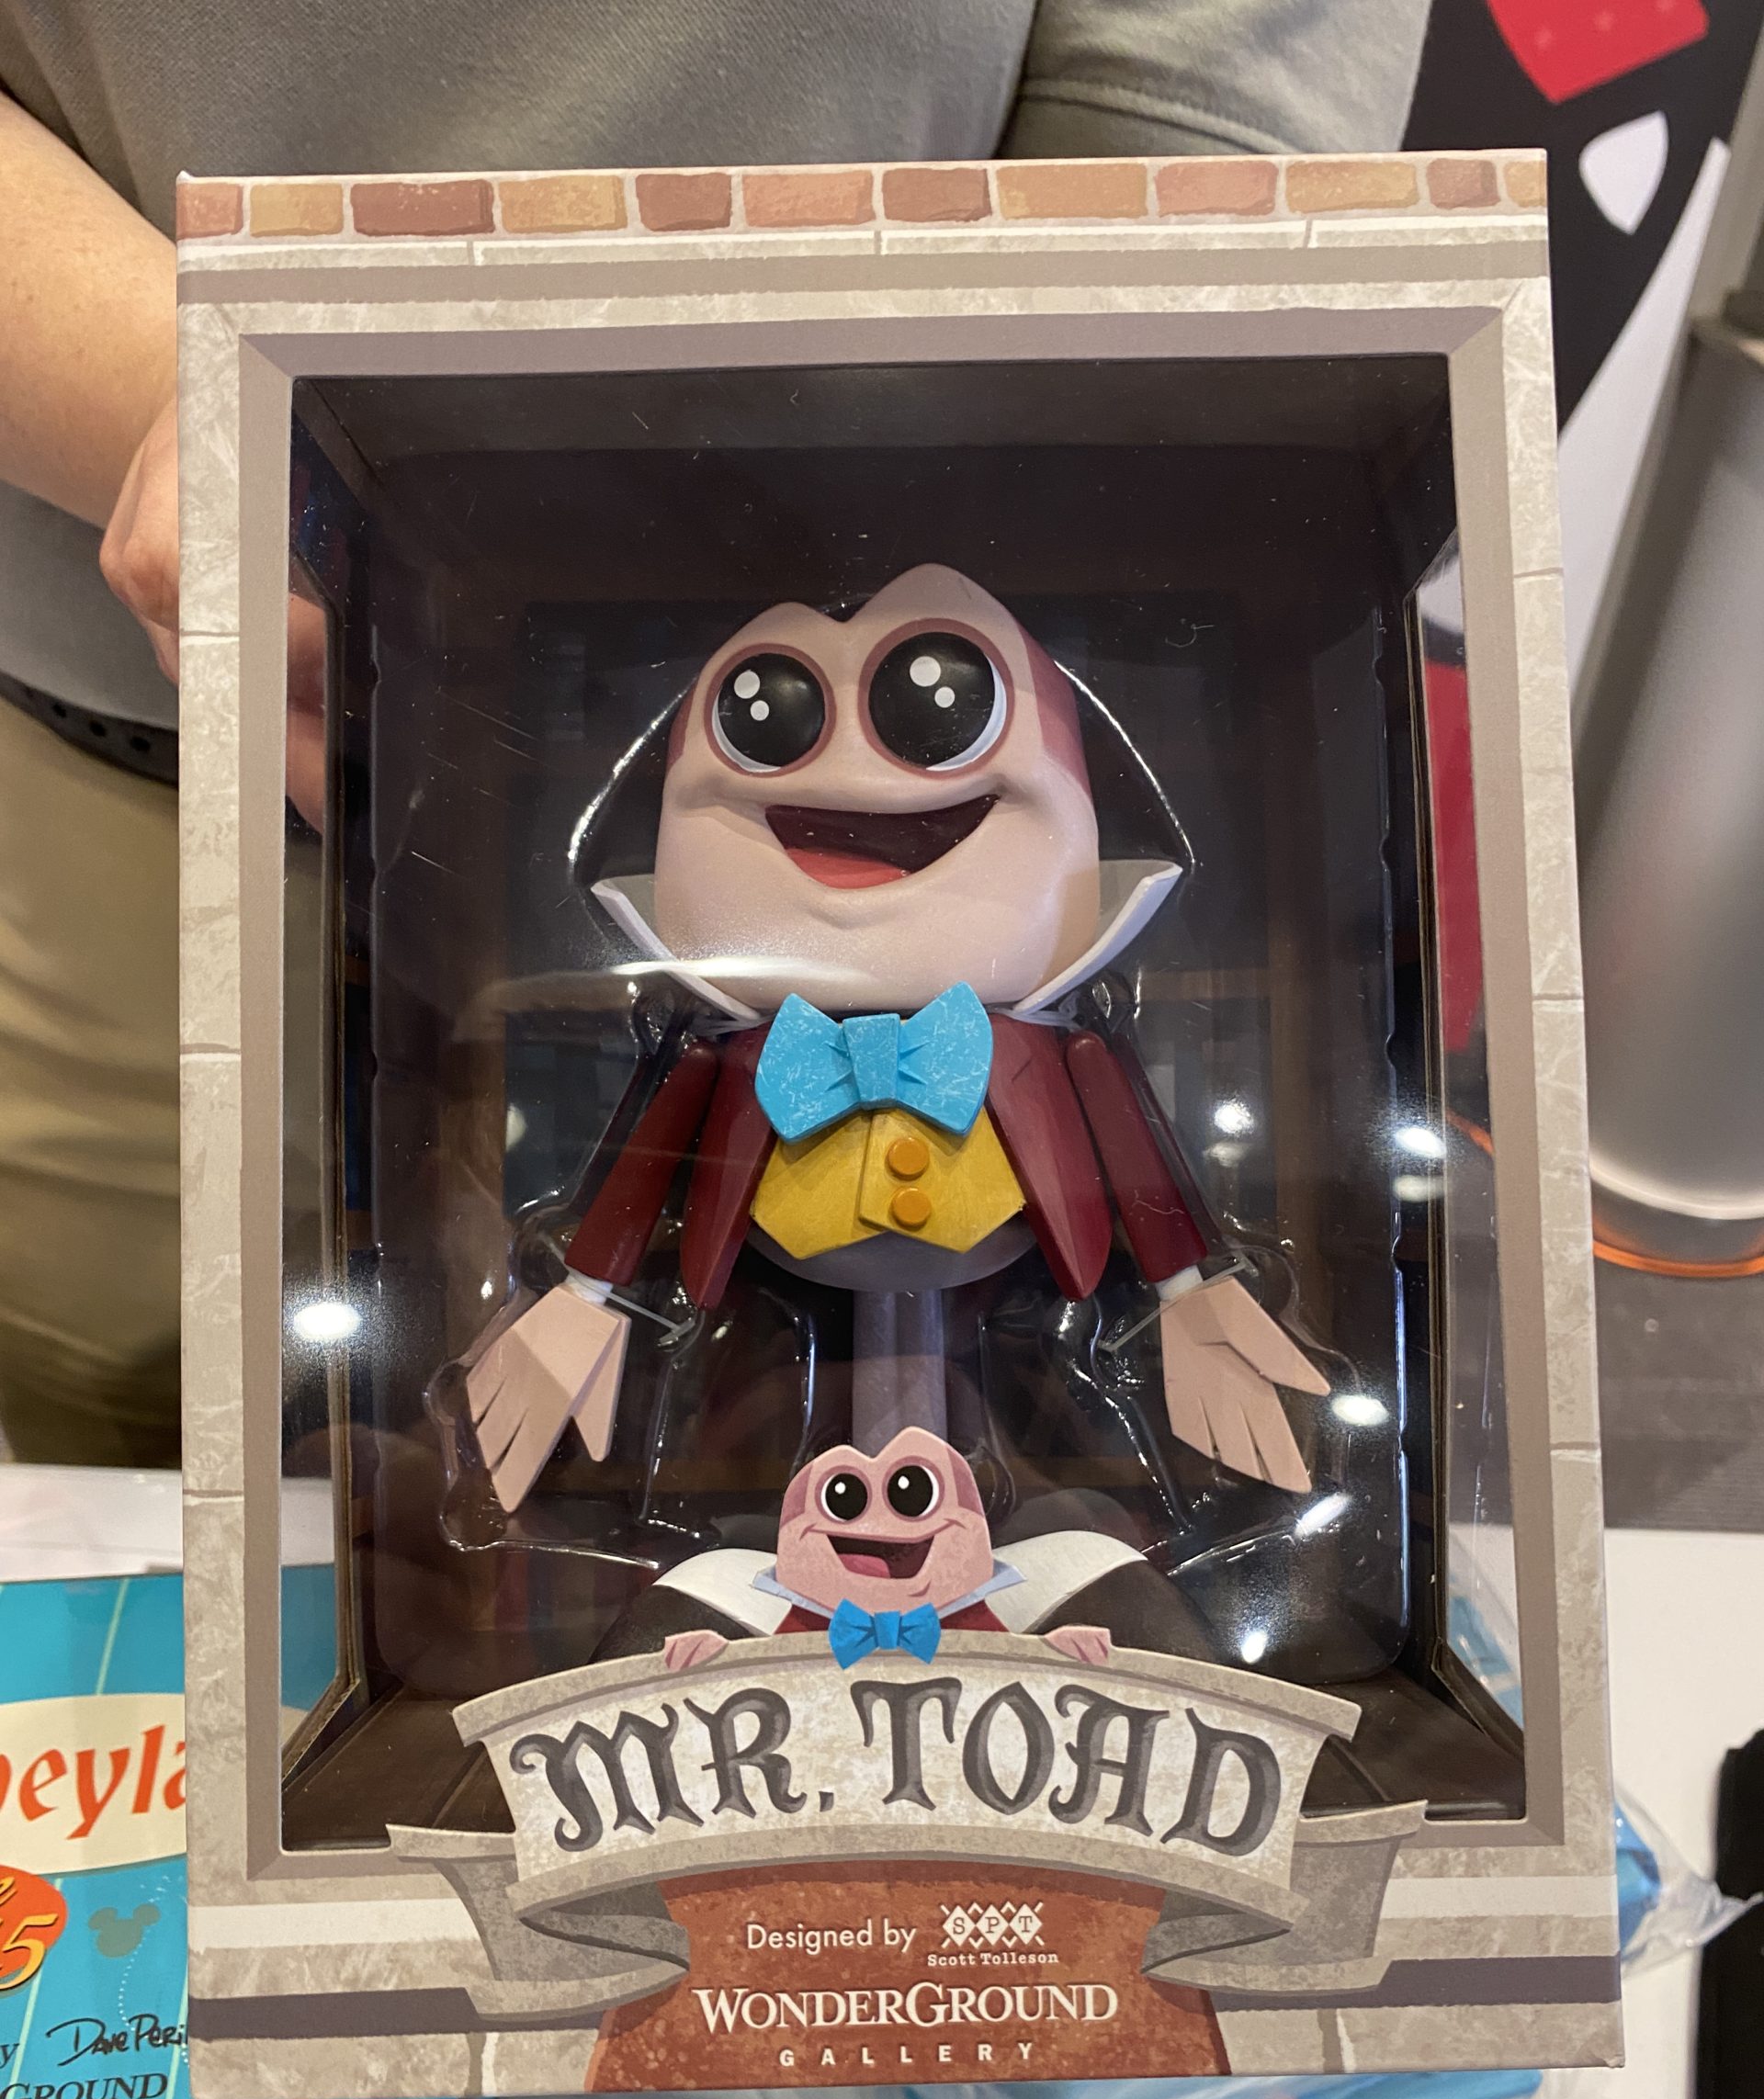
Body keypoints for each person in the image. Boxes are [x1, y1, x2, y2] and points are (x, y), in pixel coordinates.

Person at [0, 0, 1430, 1465]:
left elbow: (1220, 109)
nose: (855, 762)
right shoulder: (725, 1050)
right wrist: (580, 1308)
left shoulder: (1054, 1043)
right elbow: (637, 1181)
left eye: (935, 705)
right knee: (135, 1410)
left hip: (986, 504)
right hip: (159, 776)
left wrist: (1192, 1295)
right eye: (771, 717)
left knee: (998, 1483)